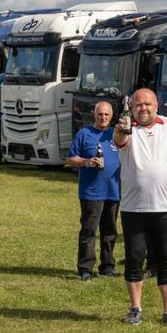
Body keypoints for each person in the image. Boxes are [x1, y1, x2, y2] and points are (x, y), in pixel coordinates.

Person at [114, 88, 167, 328]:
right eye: (138, 105)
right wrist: (120, 130)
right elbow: (120, 141)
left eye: (148, 104)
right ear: (133, 107)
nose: (143, 108)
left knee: (165, 258)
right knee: (134, 257)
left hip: (163, 207)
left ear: (156, 105)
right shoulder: (127, 126)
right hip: (133, 207)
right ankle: (135, 308)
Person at [66, 101, 120, 281]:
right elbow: (71, 159)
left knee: (110, 231)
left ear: (112, 116)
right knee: (89, 230)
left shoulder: (117, 134)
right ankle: (85, 268)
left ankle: (107, 266)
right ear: (94, 114)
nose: (103, 117)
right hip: (92, 192)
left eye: (106, 114)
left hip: (113, 191)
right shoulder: (84, 133)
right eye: (100, 114)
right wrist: (87, 162)